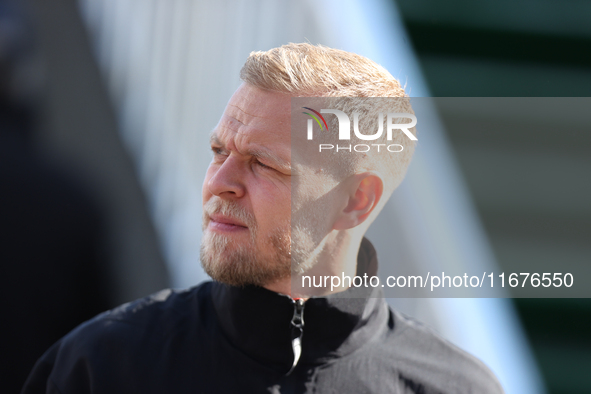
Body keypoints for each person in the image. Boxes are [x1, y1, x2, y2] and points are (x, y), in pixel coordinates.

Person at [22, 43, 504, 394]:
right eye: (218, 151)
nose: (220, 181)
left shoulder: (454, 388)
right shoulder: (101, 367)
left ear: (356, 200)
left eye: (264, 164)